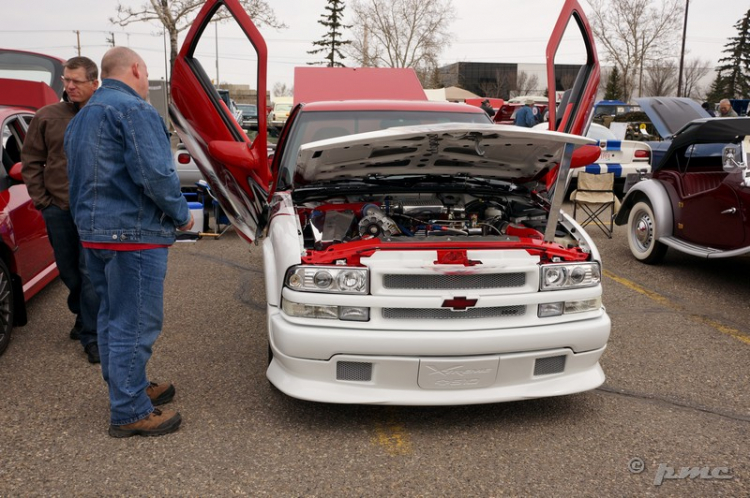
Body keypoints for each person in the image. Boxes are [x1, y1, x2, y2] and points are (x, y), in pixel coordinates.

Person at [65, 47, 193, 438]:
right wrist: (183, 214)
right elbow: (155, 174)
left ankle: (129, 385)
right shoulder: (134, 110)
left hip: (95, 234)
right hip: (131, 236)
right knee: (134, 323)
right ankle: (130, 409)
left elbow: (74, 178)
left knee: (111, 316)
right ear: (136, 69)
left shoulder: (83, 116)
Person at [21, 57, 101, 364]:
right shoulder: (47, 116)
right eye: (66, 80)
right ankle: (82, 314)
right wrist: (42, 201)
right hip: (58, 209)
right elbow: (31, 162)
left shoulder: (104, 115)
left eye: (76, 81)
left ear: (94, 83)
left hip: (95, 211)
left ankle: (91, 335)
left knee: (90, 272)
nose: (68, 86)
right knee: (69, 271)